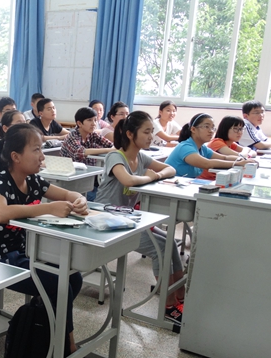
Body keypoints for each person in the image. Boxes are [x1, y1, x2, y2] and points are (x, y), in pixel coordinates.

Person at [0, 123, 104, 358]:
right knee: (58, 284)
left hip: (22, 254)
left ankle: (49, 333)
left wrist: (77, 199)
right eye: (36, 150)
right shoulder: (0, 180)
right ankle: (68, 349)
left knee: (73, 278)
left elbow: (66, 194)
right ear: (16, 157)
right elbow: (0, 213)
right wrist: (46, 209)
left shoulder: (33, 180)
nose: (42, 156)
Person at [95, 111, 186, 324]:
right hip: (105, 219)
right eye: (146, 132)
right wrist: (149, 177)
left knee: (170, 241)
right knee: (160, 248)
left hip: (126, 218)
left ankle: (179, 297)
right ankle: (168, 305)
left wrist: (156, 175)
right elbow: (127, 180)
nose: (150, 136)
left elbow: (170, 169)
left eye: (151, 131)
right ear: (129, 134)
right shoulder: (115, 156)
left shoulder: (142, 157)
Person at [165, 113, 257, 177]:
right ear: (193, 129)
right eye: (206, 127)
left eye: (213, 127)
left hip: (182, 185)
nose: (211, 131)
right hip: (168, 186)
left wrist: (245, 160)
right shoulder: (185, 147)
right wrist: (237, 163)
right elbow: (207, 164)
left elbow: (224, 158)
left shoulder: (202, 148)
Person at [60, 107, 114, 200]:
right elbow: (82, 152)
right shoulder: (72, 136)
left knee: (107, 194)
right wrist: (108, 150)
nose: (94, 123)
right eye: (89, 120)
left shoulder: (93, 134)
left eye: (95, 120)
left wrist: (111, 149)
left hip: (88, 176)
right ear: (79, 123)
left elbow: (110, 145)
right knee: (99, 199)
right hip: (70, 179)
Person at [197, 116, 257, 180]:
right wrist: (246, 152)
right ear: (225, 129)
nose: (239, 132)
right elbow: (240, 156)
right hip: (209, 179)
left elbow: (253, 152)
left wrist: (247, 154)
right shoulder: (217, 142)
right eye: (235, 129)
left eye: (241, 129)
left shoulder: (231, 143)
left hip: (222, 176)